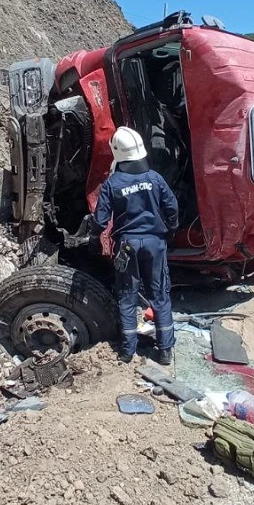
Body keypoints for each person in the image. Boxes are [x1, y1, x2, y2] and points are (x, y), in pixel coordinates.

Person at [93, 127, 179, 365]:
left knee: (127, 296)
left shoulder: (112, 183)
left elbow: (100, 220)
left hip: (127, 245)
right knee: (160, 295)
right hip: (155, 243)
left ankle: (127, 351)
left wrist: (93, 238)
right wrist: (171, 228)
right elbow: (171, 206)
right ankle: (165, 351)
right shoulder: (154, 178)